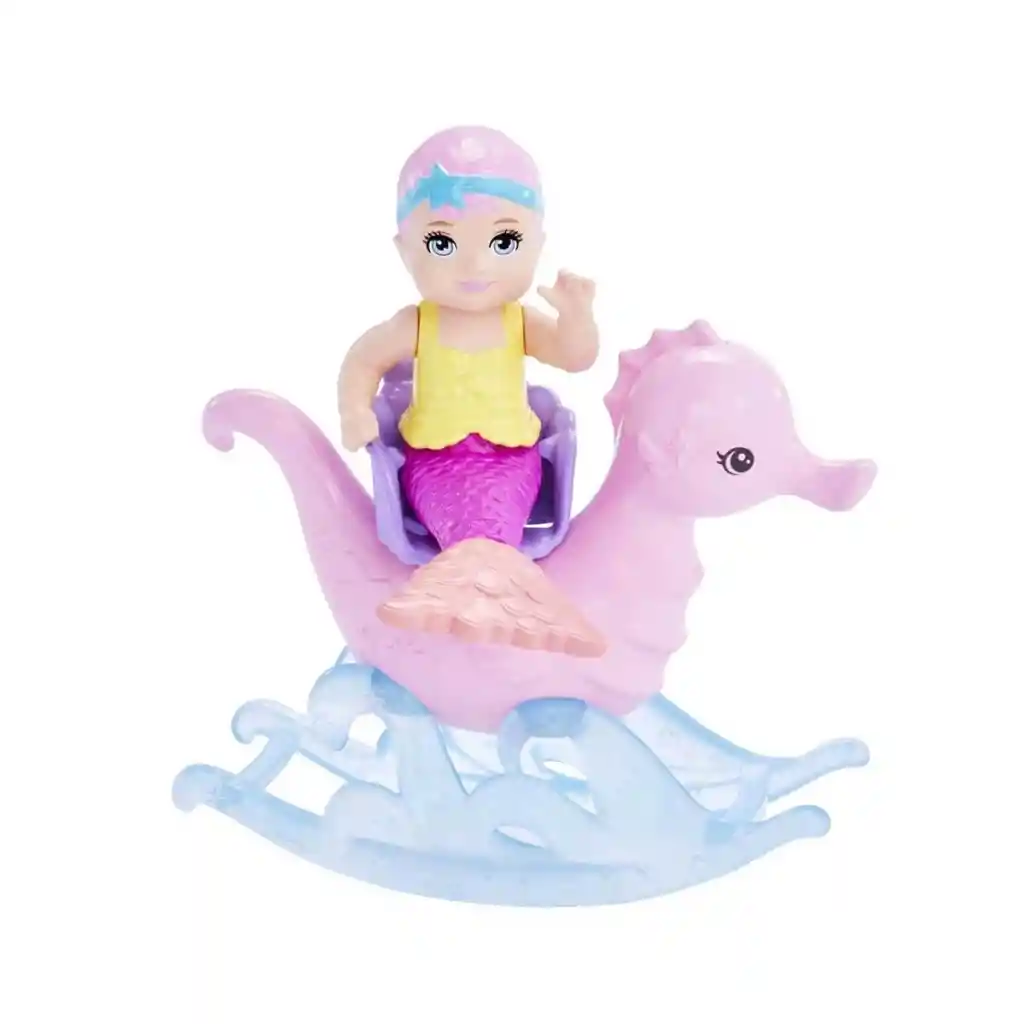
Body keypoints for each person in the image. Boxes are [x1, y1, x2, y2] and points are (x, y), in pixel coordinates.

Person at [337, 125, 605, 657]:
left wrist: (577, 317)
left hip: (512, 462)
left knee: (496, 515)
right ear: (405, 252)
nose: (476, 266)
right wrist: (354, 411)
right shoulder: (416, 324)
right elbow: (363, 360)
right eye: (442, 244)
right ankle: (479, 599)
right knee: (467, 521)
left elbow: (575, 357)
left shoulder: (519, 321)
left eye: (504, 243)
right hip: (435, 464)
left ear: (537, 244)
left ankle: (487, 596)